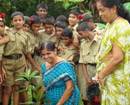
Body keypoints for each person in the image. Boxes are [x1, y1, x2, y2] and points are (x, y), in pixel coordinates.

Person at [96, 0, 130, 105]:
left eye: (102, 10)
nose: (100, 14)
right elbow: (107, 52)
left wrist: (101, 74)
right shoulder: (109, 25)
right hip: (109, 77)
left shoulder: (121, 26)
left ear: (114, 9)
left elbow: (118, 58)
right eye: (98, 11)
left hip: (118, 79)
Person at [2, 11, 30, 105]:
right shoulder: (6, 32)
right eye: (15, 20)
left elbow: (26, 52)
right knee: (8, 89)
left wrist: (26, 66)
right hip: (7, 63)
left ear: (23, 21)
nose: (18, 22)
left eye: (19, 20)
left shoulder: (26, 35)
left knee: (17, 88)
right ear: (12, 22)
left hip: (20, 63)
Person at [41, 41, 80, 105]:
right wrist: (40, 99)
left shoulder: (65, 65)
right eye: (43, 54)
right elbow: (44, 84)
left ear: (55, 51)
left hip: (66, 101)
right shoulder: (44, 66)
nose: (46, 57)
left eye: (48, 53)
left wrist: (59, 104)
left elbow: (70, 88)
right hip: (49, 101)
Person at [77, 22, 101, 105]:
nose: (80, 36)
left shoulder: (101, 41)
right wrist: (86, 77)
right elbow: (83, 62)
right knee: (87, 97)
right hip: (88, 70)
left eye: (81, 33)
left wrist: (97, 76)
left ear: (86, 31)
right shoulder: (83, 44)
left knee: (99, 97)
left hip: (99, 70)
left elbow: (104, 60)